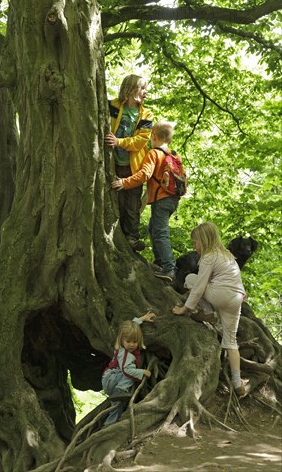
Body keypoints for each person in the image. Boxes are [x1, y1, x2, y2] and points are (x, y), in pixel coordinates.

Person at [172, 222, 246, 397]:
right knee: (230, 341)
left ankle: (208, 313)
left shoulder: (208, 257)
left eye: (195, 242)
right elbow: (235, 280)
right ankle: (237, 384)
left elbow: (198, 287)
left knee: (191, 278)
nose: (194, 246)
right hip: (236, 299)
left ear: (204, 241)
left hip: (220, 296)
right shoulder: (227, 255)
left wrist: (185, 308)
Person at [111, 121, 179, 281]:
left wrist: (124, 182)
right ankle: (160, 262)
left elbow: (144, 175)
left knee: (160, 232)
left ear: (153, 137)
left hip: (161, 199)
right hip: (173, 200)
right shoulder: (173, 154)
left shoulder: (154, 154)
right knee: (154, 228)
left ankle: (169, 268)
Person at [105, 74, 153, 252]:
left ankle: (131, 238)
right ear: (131, 89)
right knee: (114, 201)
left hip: (132, 167)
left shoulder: (146, 114)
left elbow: (141, 141)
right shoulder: (113, 106)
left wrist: (119, 142)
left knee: (131, 204)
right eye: (142, 88)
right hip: (112, 163)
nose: (145, 92)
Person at [102, 311, 155, 426]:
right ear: (122, 340)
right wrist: (143, 372)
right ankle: (120, 390)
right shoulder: (126, 354)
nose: (131, 344)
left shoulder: (125, 342)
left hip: (112, 379)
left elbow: (131, 326)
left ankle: (110, 424)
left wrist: (143, 318)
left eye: (135, 342)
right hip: (112, 378)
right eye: (129, 341)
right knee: (131, 374)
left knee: (118, 406)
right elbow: (126, 370)